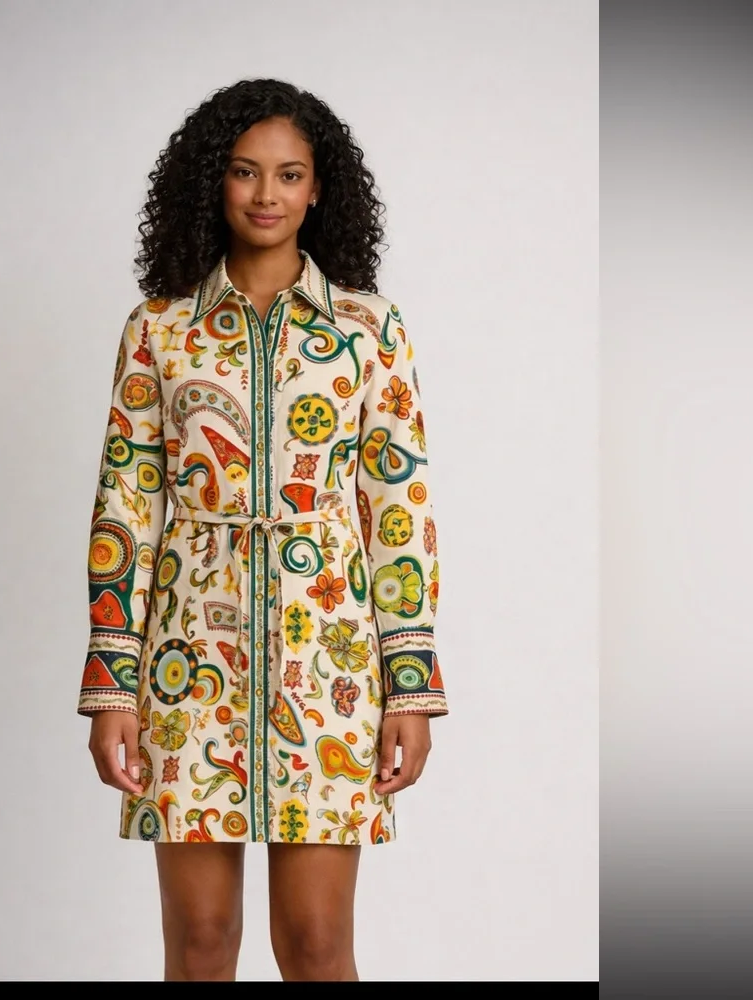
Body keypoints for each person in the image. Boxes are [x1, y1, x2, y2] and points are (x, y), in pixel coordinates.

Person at [78, 77, 449, 982]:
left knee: (316, 946)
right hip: (186, 663)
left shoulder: (368, 329)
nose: (266, 194)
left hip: (327, 663)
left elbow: (398, 508)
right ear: (215, 180)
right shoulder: (160, 328)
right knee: (200, 944)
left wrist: (409, 688)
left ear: (319, 189)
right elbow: (125, 507)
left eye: (289, 174)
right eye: (245, 172)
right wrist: (112, 687)